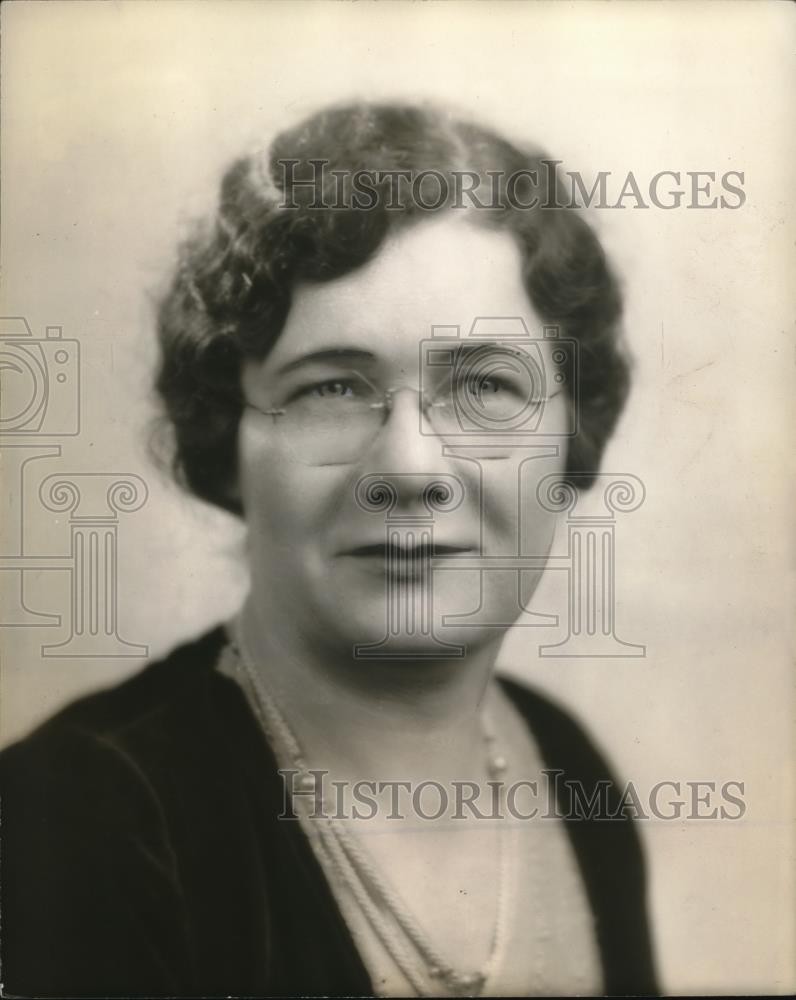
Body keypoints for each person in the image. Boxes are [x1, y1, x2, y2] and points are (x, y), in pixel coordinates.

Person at [0, 102, 658, 997]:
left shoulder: (569, 764)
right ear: (226, 441)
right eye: (333, 388)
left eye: (487, 386)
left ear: (572, 440)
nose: (410, 467)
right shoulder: (77, 827)